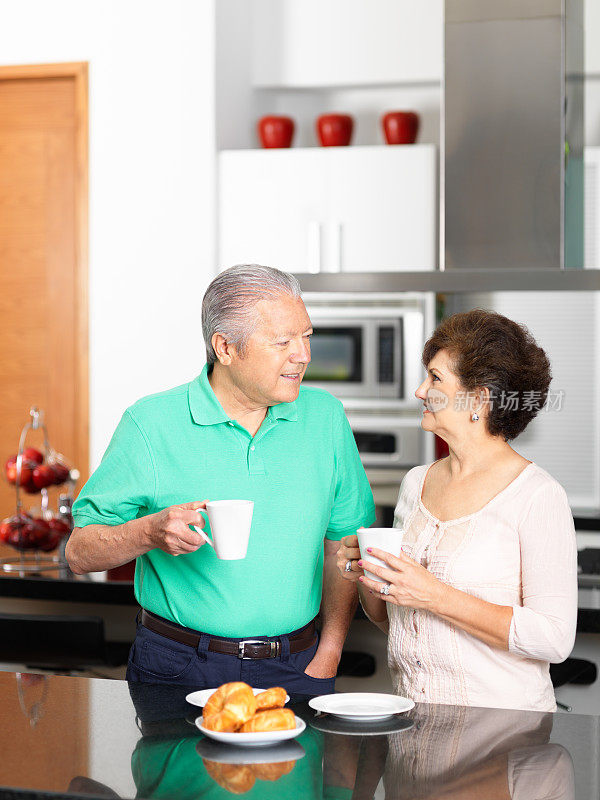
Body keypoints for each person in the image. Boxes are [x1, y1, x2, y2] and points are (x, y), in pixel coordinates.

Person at [66, 264, 375, 693]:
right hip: (179, 665)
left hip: (299, 667)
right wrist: (150, 532)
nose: (303, 355)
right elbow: (80, 553)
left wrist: (331, 651)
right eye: (282, 342)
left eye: (306, 336)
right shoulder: (150, 424)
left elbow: (343, 543)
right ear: (225, 347)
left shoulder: (325, 418)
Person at [337, 309, 578, 712]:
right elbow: (394, 620)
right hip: (414, 730)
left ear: (478, 399)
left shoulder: (537, 495)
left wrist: (433, 595)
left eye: (435, 378)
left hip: (503, 737)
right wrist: (369, 575)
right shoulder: (417, 483)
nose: (419, 391)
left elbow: (554, 638)